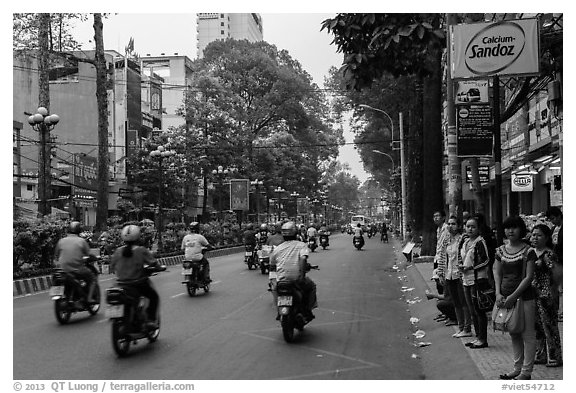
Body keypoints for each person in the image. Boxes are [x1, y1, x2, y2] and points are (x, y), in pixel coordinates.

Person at [495, 216, 536, 380]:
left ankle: (526, 372)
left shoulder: (529, 251)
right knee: (514, 332)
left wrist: (513, 296)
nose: (510, 231)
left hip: (525, 298)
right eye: (507, 228)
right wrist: (498, 293)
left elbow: (528, 277)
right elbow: (497, 273)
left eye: (514, 227)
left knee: (527, 335)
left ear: (521, 230)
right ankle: (517, 368)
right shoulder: (500, 250)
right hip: (505, 298)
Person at [110, 224, 161, 329]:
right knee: (154, 297)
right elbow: (154, 263)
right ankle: (151, 320)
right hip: (137, 284)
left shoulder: (118, 251)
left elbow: (112, 266)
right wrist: (158, 267)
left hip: (119, 284)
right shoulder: (141, 250)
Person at [528, 224, 562, 368]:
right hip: (532, 294)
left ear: (547, 238)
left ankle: (555, 356)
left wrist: (554, 294)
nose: (535, 237)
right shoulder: (530, 253)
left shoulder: (549, 255)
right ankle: (541, 354)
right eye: (533, 234)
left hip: (547, 295)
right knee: (536, 326)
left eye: (539, 235)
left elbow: (557, 276)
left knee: (549, 326)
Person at [270, 221, 317, 321]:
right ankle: (308, 310)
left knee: (275, 291)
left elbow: (272, 265)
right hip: (296, 279)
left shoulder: (277, 249)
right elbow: (303, 259)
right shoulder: (301, 245)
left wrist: (273, 280)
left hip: (281, 280)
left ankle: (279, 312)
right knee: (312, 286)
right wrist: (302, 275)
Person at [458, 216, 491, 349]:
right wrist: (460, 265)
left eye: (473, 226)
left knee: (479, 310)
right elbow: (462, 257)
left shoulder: (480, 242)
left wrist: (471, 267)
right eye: (468, 226)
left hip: (477, 280)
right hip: (465, 279)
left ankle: (483, 339)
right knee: (472, 310)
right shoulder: (465, 241)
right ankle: (477, 337)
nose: (470, 229)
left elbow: (486, 260)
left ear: (478, 229)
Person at [437, 215, 472, 337]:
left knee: (464, 302)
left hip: (460, 275)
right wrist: (440, 273)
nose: (451, 226)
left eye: (454, 224)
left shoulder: (463, 239)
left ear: (459, 226)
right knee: (456, 302)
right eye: (449, 224)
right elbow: (442, 257)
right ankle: (460, 327)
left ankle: (467, 328)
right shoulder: (446, 240)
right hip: (449, 275)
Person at [53, 221, 97, 303]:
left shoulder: (61, 241)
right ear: (79, 231)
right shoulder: (82, 241)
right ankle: (89, 299)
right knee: (92, 279)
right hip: (77, 269)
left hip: (62, 270)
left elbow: (56, 256)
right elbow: (88, 254)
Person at [545, 207, 563, 321]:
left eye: (553, 218)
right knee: (556, 287)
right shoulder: (554, 229)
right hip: (556, 261)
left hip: (562, 260)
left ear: (559, 216)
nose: (552, 221)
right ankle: (556, 310)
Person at [433, 210, 449, 295]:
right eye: (434, 216)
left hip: (443, 259)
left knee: (442, 280)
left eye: (437, 216)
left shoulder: (446, 228)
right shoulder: (438, 229)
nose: (435, 218)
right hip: (437, 258)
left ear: (443, 218)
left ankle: (445, 298)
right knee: (437, 278)